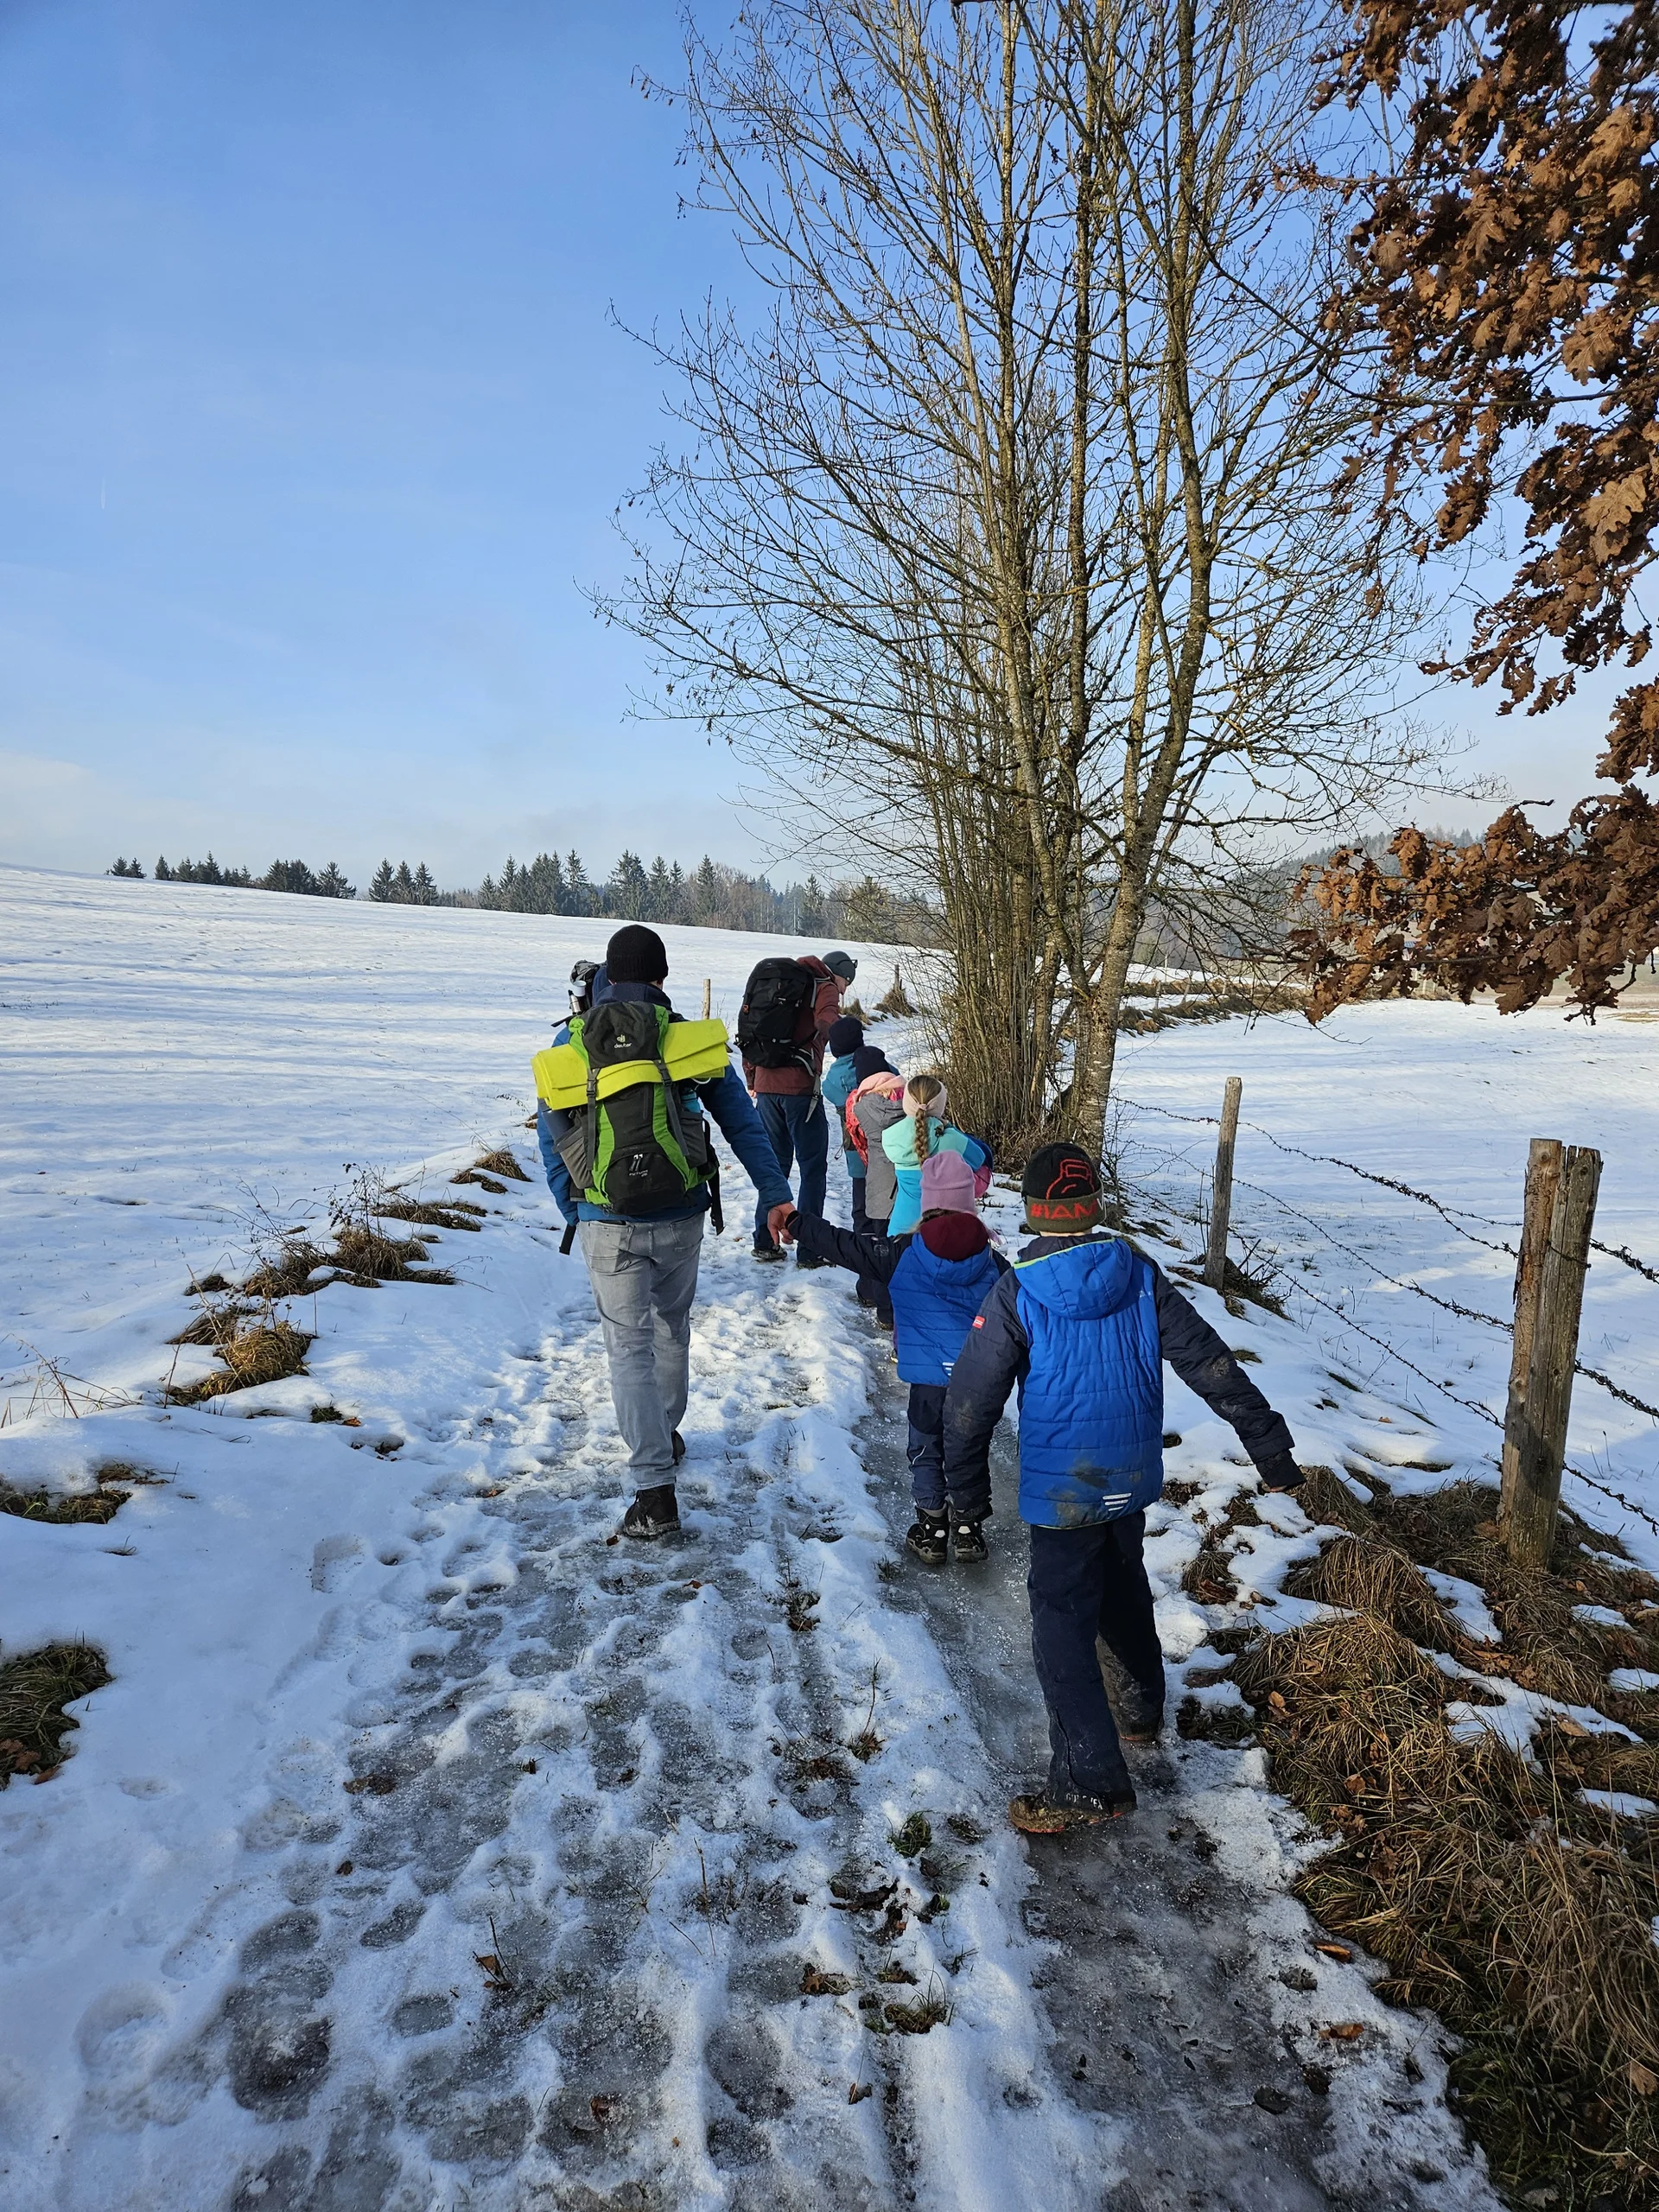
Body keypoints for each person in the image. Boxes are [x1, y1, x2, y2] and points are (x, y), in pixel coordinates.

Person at [941, 1143, 1301, 1836]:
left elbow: (969, 1403)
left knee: (1061, 1619)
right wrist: (1270, 1449)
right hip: (1130, 1474)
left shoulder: (1018, 1289)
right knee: (1123, 1581)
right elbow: (1209, 1362)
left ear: (1033, 1213)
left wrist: (965, 1490)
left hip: (1062, 1486)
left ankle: (1086, 1780)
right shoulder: (1139, 1274)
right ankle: (1137, 1707)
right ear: (1093, 1207)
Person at [536, 924, 793, 1541]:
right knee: (671, 1328)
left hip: (608, 1223)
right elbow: (742, 1121)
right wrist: (776, 1194)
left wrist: (576, 1213)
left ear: (605, 977)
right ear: (662, 978)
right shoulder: (688, 1041)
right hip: (681, 1216)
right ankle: (666, 1433)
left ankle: (653, 1494)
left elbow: (552, 1142)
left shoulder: (568, 1048)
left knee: (628, 1350)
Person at [770, 1148, 1007, 1565]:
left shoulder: (903, 1253)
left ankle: (933, 1528)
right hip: (978, 1384)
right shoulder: (992, 1261)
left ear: (927, 1202)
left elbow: (845, 1246)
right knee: (970, 1448)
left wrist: (797, 1222)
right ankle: (969, 1529)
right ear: (970, 1203)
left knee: (926, 1448)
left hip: (928, 1384)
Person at [741, 950, 857, 1265]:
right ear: (840, 973)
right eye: (846, 982)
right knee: (813, 1168)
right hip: (799, 1089)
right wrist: (849, 1041)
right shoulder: (824, 984)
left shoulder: (778, 982)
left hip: (766, 1085)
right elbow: (825, 1021)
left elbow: (752, 1028)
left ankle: (765, 1242)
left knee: (774, 1166)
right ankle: (810, 1248)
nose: (844, 991)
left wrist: (752, 1075)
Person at [881, 1074, 991, 1236]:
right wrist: (949, 1127)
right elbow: (979, 1159)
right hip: (939, 1235)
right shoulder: (951, 1140)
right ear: (939, 1106)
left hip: (899, 1229)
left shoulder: (890, 1137)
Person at [821, 1014, 869, 1228]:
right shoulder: (875, 1063)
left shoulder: (833, 1077)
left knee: (860, 1190)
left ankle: (862, 1233)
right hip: (887, 1145)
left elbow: (828, 1091)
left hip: (855, 1144)